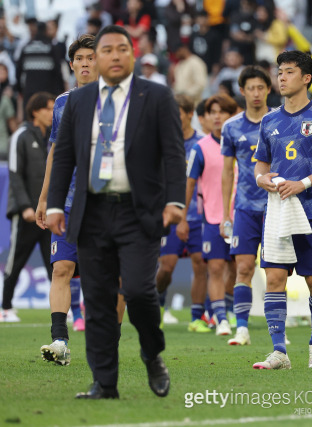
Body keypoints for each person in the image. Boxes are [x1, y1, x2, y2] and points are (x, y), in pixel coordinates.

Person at [46, 25, 184, 399]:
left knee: (138, 291)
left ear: (132, 55)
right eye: (107, 50)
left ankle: (152, 353)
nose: (114, 56)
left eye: (122, 48)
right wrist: (55, 203)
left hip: (138, 213)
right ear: (97, 59)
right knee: (98, 299)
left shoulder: (155, 96)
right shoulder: (74, 102)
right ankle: (104, 383)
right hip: (90, 213)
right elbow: (62, 159)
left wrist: (175, 201)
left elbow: (174, 153)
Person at [252, 50, 312, 369]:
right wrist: (262, 179)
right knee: (274, 277)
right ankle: (279, 351)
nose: (281, 77)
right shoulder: (269, 120)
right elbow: (260, 162)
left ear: (306, 78)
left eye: (288, 72)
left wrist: (302, 183)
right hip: (278, 209)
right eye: (279, 72)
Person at [34, 34, 97, 364]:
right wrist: (45, 198)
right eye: (80, 59)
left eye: (91, 57)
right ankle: (59, 340)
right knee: (62, 268)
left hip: (105, 200)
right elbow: (55, 153)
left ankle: (105, 341)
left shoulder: (119, 100)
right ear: (72, 64)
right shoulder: (62, 103)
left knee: (105, 276)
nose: (86, 63)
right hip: (69, 200)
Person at [220, 66, 272, 346]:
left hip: (277, 207)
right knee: (243, 267)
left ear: (268, 90)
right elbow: (227, 172)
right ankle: (242, 327)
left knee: (276, 271)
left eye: (260, 88)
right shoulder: (231, 127)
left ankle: (278, 325)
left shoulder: (280, 121)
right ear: (242, 91)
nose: (255, 93)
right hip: (244, 208)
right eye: (250, 88)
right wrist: (225, 212)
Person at [185, 94, 238, 336]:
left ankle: (226, 310)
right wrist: (183, 215)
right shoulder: (200, 148)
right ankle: (221, 319)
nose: (217, 116)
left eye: (222, 111)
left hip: (243, 216)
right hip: (214, 217)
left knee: (238, 268)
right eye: (212, 112)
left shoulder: (243, 142)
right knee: (215, 267)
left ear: (231, 114)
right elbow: (189, 183)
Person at [1, 92, 55, 322]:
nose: (53, 114)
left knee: (55, 262)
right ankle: (5, 306)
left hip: (48, 214)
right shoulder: (21, 135)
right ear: (36, 111)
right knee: (17, 259)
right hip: (26, 214)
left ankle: (65, 308)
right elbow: (14, 173)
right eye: (49, 109)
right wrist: (24, 207)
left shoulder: (52, 137)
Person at [155, 94, 207, 328]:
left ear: (189, 114)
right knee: (166, 267)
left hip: (198, 215)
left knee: (200, 263)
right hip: (169, 214)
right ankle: (156, 305)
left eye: (179, 113)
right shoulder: (162, 143)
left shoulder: (202, 144)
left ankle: (196, 317)